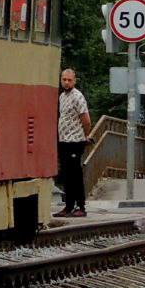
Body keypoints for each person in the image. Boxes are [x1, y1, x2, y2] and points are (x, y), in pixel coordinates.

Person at [55, 68, 92, 218]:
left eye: (69, 80)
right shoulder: (62, 96)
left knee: (75, 174)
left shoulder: (78, 97)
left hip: (75, 141)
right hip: (64, 140)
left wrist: (85, 135)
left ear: (74, 81)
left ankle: (80, 206)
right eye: (64, 79)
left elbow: (86, 120)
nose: (66, 82)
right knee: (66, 175)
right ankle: (68, 206)